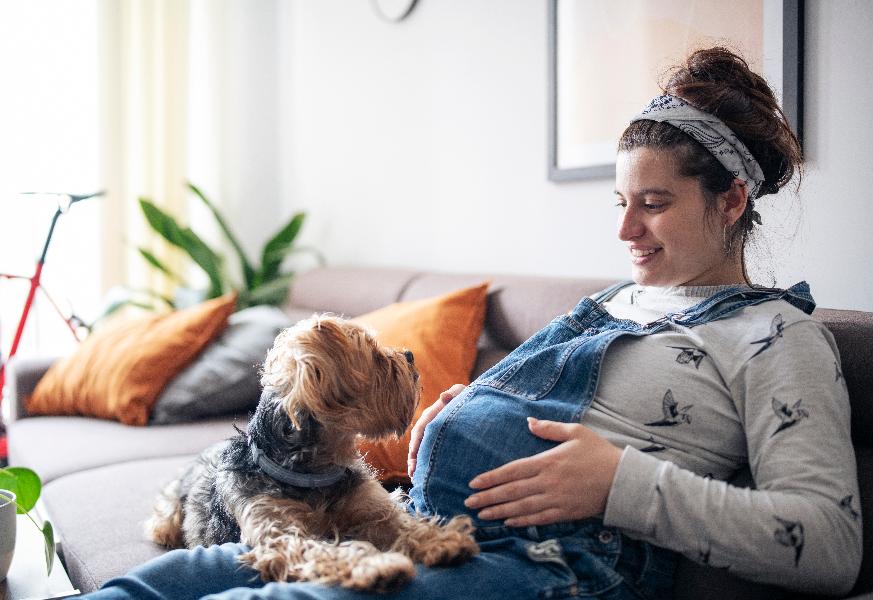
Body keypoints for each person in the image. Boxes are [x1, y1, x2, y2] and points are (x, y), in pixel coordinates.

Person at [83, 47, 861, 600]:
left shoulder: (775, 338)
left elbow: (828, 545)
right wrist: (455, 415)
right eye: (618, 203)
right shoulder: (611, 306)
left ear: (729, 202)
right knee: (158, 583)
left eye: (653, 205)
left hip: (552, 565)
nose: (625, 232)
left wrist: (620, 483)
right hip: (413, 526)